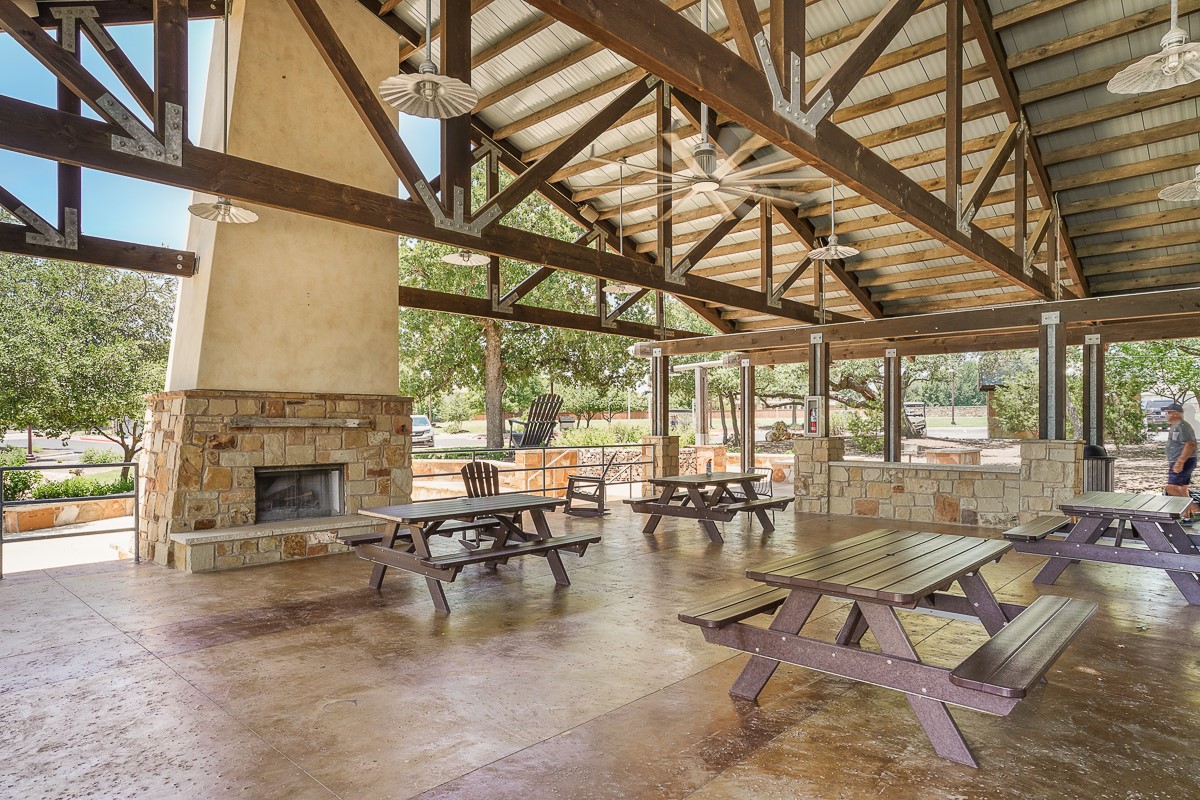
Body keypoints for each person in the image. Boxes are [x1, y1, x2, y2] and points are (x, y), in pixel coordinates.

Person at [1163, 402, 1197, 525]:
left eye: (1168, 412)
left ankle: (1194, 509)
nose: (1166, 415)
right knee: (1182, 489)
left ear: (1176, 414)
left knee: (1171, 488)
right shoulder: (1175, 426)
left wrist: (1180, 462)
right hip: (1180, 461)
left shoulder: (1182, 426)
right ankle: (1187, 516)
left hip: (1184, 461)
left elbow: (1190, 444)